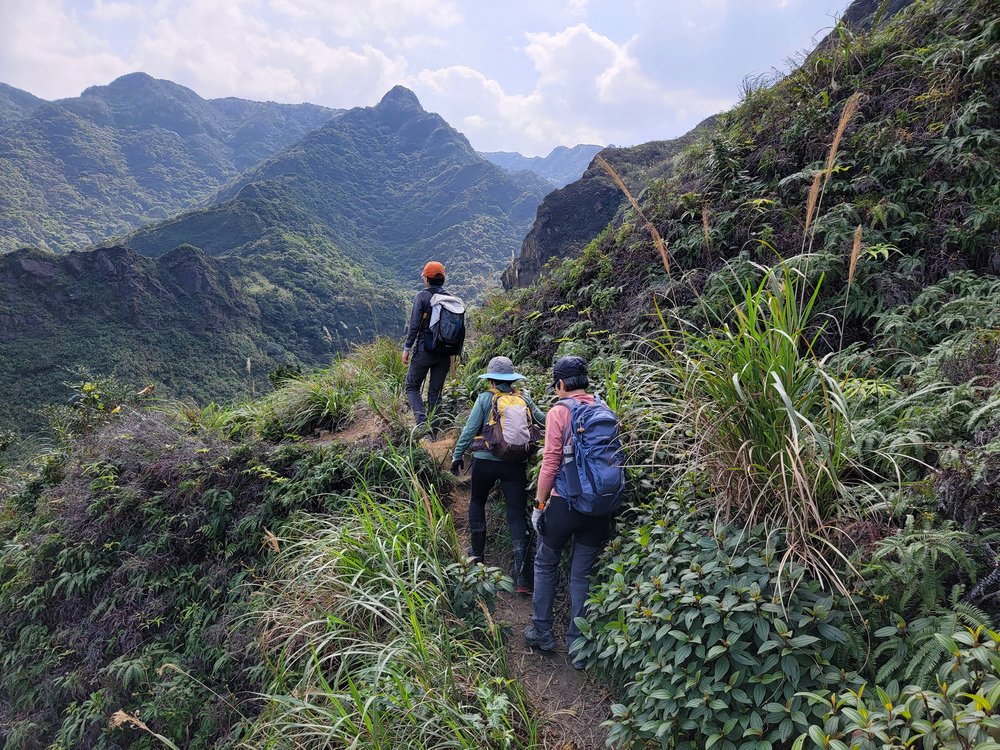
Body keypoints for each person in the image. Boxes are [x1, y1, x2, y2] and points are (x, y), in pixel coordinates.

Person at [524, 355, 622, 669]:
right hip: (599, 508)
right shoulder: (604, 409)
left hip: (566, 504)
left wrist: (539, 506)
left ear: (562, 384)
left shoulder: (559, 411)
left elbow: (550, 462)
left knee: (545, 563)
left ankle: (542, 632)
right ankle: (578, 648)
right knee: (582, 576)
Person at [451, 356, 545, 593]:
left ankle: (477, 558)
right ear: (512, 379)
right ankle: (522, 577)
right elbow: (543, 420)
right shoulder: (524, 397)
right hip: (516, 463)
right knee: (515, 514)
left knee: (477, 501)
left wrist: (457, 456)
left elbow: (470, 430)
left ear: (491, 380)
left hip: (485, 462)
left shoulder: (484, 399)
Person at [403, 261, 462, 432]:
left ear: (427, 279)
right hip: (445, 352)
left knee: (412, 386)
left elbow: (414, 326)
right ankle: (435, 431)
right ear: (443, 279)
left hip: (424, 351)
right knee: (435, 393)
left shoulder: (422, 296)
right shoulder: (450, 298)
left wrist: (407, 348)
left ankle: (422, 427)